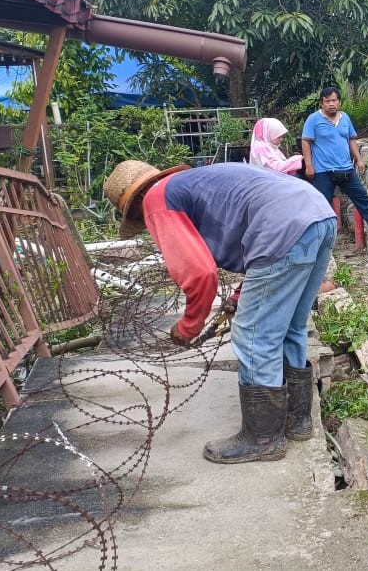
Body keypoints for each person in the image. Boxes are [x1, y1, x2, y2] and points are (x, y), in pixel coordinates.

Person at [103, 160, 337, 464]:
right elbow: (256, 245)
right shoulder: (199, 184)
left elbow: (200, 274)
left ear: (133, 206)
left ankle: (262, 438)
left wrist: (188, 326)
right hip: (318, 214)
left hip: (284, 227)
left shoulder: (156, 200)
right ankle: (298, 420)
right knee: (290, 324)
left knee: (252, 335)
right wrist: (240, 295)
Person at [301, 86, 368, 229]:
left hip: (346, 168)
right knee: (320, 202)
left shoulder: (345, 118)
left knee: (361, 195)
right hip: (323, 170)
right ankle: (314, 230)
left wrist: (359, 159)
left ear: (339, 102)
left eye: (334, 100)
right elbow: (306, 141)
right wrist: (309, 166)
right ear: (321, 103)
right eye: (327, 101)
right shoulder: (313, 119)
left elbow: (351, 139)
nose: (331, 104)